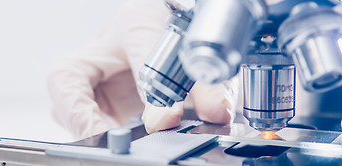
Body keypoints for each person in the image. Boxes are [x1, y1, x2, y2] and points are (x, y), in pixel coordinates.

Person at [47, 0, 239, 140]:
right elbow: (163, 113)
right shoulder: (148, 15)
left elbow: (218, 110)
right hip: (143, 127)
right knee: (164, 110)